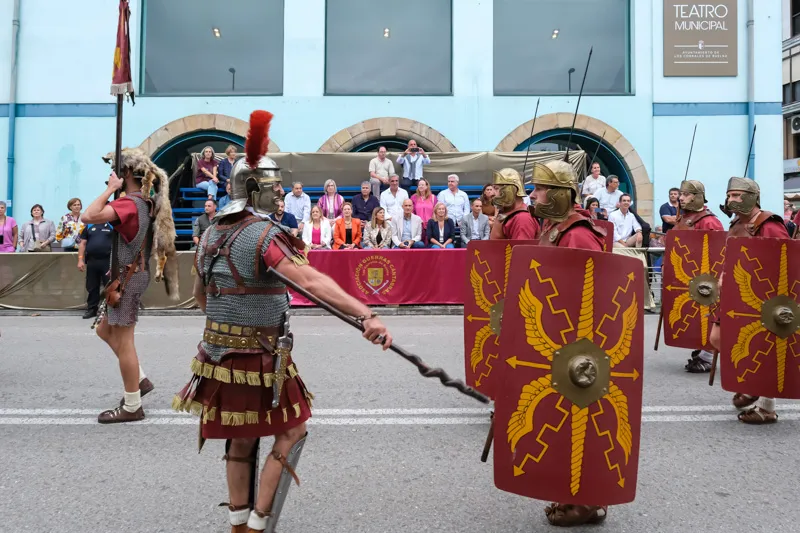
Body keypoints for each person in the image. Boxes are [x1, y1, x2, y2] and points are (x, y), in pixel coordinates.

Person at [172, 110, 392, 533]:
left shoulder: (211, 234)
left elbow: (201, 297)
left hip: (217, 353)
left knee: (241, 437)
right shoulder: (264, 235)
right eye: (273, 187)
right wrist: (366, 314)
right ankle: (258, 523)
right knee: (292, 432)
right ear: (254, 189)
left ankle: (239, 524)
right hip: (259, 354)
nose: (280, 194)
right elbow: (309, 279)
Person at [528, 159, 607, 526]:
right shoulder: (553, 229)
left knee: (580, 421)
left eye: (540, 189)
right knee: (559, 421)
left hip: (575, 346)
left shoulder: (578, 235)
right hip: (555, 340)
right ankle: (570, 491)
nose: (533, 195)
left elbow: (592, 297)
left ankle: (588, 500)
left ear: (560, 194)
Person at [81, 148, 179, 423]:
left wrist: (111, 190)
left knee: (125, 342)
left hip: (127, 277)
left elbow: (88, 216)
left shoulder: (129, 203)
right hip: (129, 275)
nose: (111, 175)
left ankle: (133, 405)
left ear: (125, 173)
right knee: (103, 329)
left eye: (115, 171)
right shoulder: (144, 202)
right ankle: (141, 379)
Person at [709, 177, 788, 425]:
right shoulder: (736, 223)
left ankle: (767, 407)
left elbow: (784, 261)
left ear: (752, 197)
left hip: (762, 297)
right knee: (717, 338)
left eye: (736, 195)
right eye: (729, 195)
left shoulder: (769, 224)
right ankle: (751, 385)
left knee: (764, 347)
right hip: (737, 295)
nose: (730, 200)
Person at [667, 180, 724, 373]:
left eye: (686, 194)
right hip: (687, 278)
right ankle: (702, 346)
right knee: (691, 314)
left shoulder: (709, 222)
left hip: (705, 280)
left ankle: (708, 355)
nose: (680, 198)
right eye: (680, 194)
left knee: (708, 315)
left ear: (697, 196)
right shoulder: (683, 219)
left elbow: (717, 254)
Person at [488, 168, 539, 240]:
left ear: (509, 190)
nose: (492, 194)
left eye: (496, 188)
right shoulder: (508, 213)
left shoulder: (522, 218)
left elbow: (521, 247)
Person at [77, 222, 113, 319]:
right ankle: (92, 309)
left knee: (109, 286)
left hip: (108, 261)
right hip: (92, 261)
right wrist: (80, 260)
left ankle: (110, 310)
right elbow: (82, 243)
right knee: (92, 286)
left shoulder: (112, 225)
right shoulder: (89, 226)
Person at [410, 177, 437, 242]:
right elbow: (412, 211)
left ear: (426, 186)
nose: (420, 186)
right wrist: (418, 220)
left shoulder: (433, 197)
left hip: (431, 224)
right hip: (418, 224)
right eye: (419, 185)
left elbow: (436, 211)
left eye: (422, 185)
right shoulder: (414, 197)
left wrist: (432, 221)